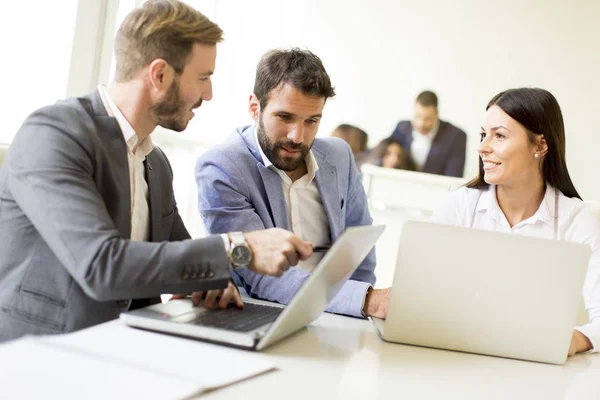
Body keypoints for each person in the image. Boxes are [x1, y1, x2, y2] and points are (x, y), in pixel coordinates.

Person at [0, 0, 312, 342]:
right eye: (204, 77)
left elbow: (177, 254)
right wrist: (241, 248)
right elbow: (101, 265)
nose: (209, 94)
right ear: (160, 75)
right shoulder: (53, 135)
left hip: (128, 347)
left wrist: (213, 283)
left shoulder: (155, 162)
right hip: (40, 353)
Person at [195, 48, 390, 319]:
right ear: (255, 108)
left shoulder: (339, 156)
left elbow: (360, 244)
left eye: (311, 121)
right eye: (285, 117)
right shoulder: (222, 167)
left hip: (340, 314)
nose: (297, 136)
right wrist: (366, 300)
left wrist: (356, 314)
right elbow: (263, 277)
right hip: (262, 315)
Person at [430, 87, 599, 356]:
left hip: (537, 372)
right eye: (484, 135)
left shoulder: (573, 218)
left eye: (499, 136)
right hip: (458, 358)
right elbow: (421, 296)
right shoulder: (460, 204)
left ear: (540, 146)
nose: (483, 147)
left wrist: (574, 340)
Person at [391, 90, 466, 177]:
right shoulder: (402, 127)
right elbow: (382, 156)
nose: (421, 123)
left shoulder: (456, 136)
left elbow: (453, 177)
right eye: (417, 116)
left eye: (427, 119)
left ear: (436, 114)